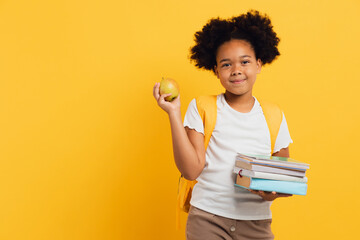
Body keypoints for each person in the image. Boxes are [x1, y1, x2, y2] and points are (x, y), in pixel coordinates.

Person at [153, 10, 293, 240]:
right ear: (216, 70)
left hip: (256, 225)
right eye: (226, 64)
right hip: (207, 220)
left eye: (245, 62)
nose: (236, 69)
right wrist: (174, 113)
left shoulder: (274, 115)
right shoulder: (202, 107)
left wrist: (270, 193)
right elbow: (191, 169)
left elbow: (280, 179)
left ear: (259, 64)